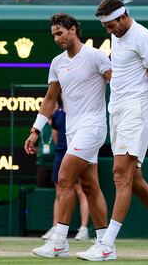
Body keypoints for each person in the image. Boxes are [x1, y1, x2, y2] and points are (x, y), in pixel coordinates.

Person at [76, 0, 148, 261]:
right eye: (105, 26)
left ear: (124, 16)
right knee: (134, 180)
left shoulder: (144, 37)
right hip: (117, 112)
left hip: (136, 113)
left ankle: (106, 245)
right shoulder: (118, 35)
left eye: (111, 25)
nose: (109, 31)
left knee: (120, 175)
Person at [24, 13, 111, 258]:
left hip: (92, 127)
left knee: (64, 178)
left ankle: (59, 241)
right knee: (91, 186)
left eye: (60, 33)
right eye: (53, 35)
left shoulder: (95, 56)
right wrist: (35, 130)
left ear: (73, 30)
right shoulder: (57, 62)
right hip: (72, 131)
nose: (56, 38)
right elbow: (50, 99)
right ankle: (105, 244)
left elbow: (116, 81)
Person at [41, 96, 90, 241]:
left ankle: (83, 229)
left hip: (78, 153)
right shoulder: (57, 115)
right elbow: (56, 137)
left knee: (81, 191)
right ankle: (56, 228)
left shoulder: (81, 112)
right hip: (60, 155)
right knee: (59, 191)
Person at [35, 117, 55, 188]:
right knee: (41, 190)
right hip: (42, 164)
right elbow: (35, 144)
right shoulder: (40, 125)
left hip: (56, 163)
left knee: (59, 190)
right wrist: (40, 155)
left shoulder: (59, 122)